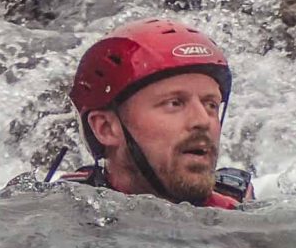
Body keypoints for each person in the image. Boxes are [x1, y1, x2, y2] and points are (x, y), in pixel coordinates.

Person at [50, 18, 254, 209]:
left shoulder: (240, 209)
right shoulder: (61, 211)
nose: (202, 120)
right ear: (106, 128)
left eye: (211, 105)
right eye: (175, 103)